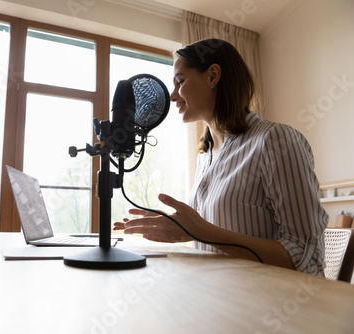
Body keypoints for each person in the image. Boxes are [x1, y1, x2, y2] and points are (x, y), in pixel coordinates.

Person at [113, 38, 328, 275]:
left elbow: (306, 256)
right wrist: (179, 227)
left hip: (271, 304)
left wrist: (198, 230)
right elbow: (210, 240)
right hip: (215, 293)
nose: (173, 96)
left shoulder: (276, 140)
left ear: (213, 76)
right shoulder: (205, 158)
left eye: (180, 82)